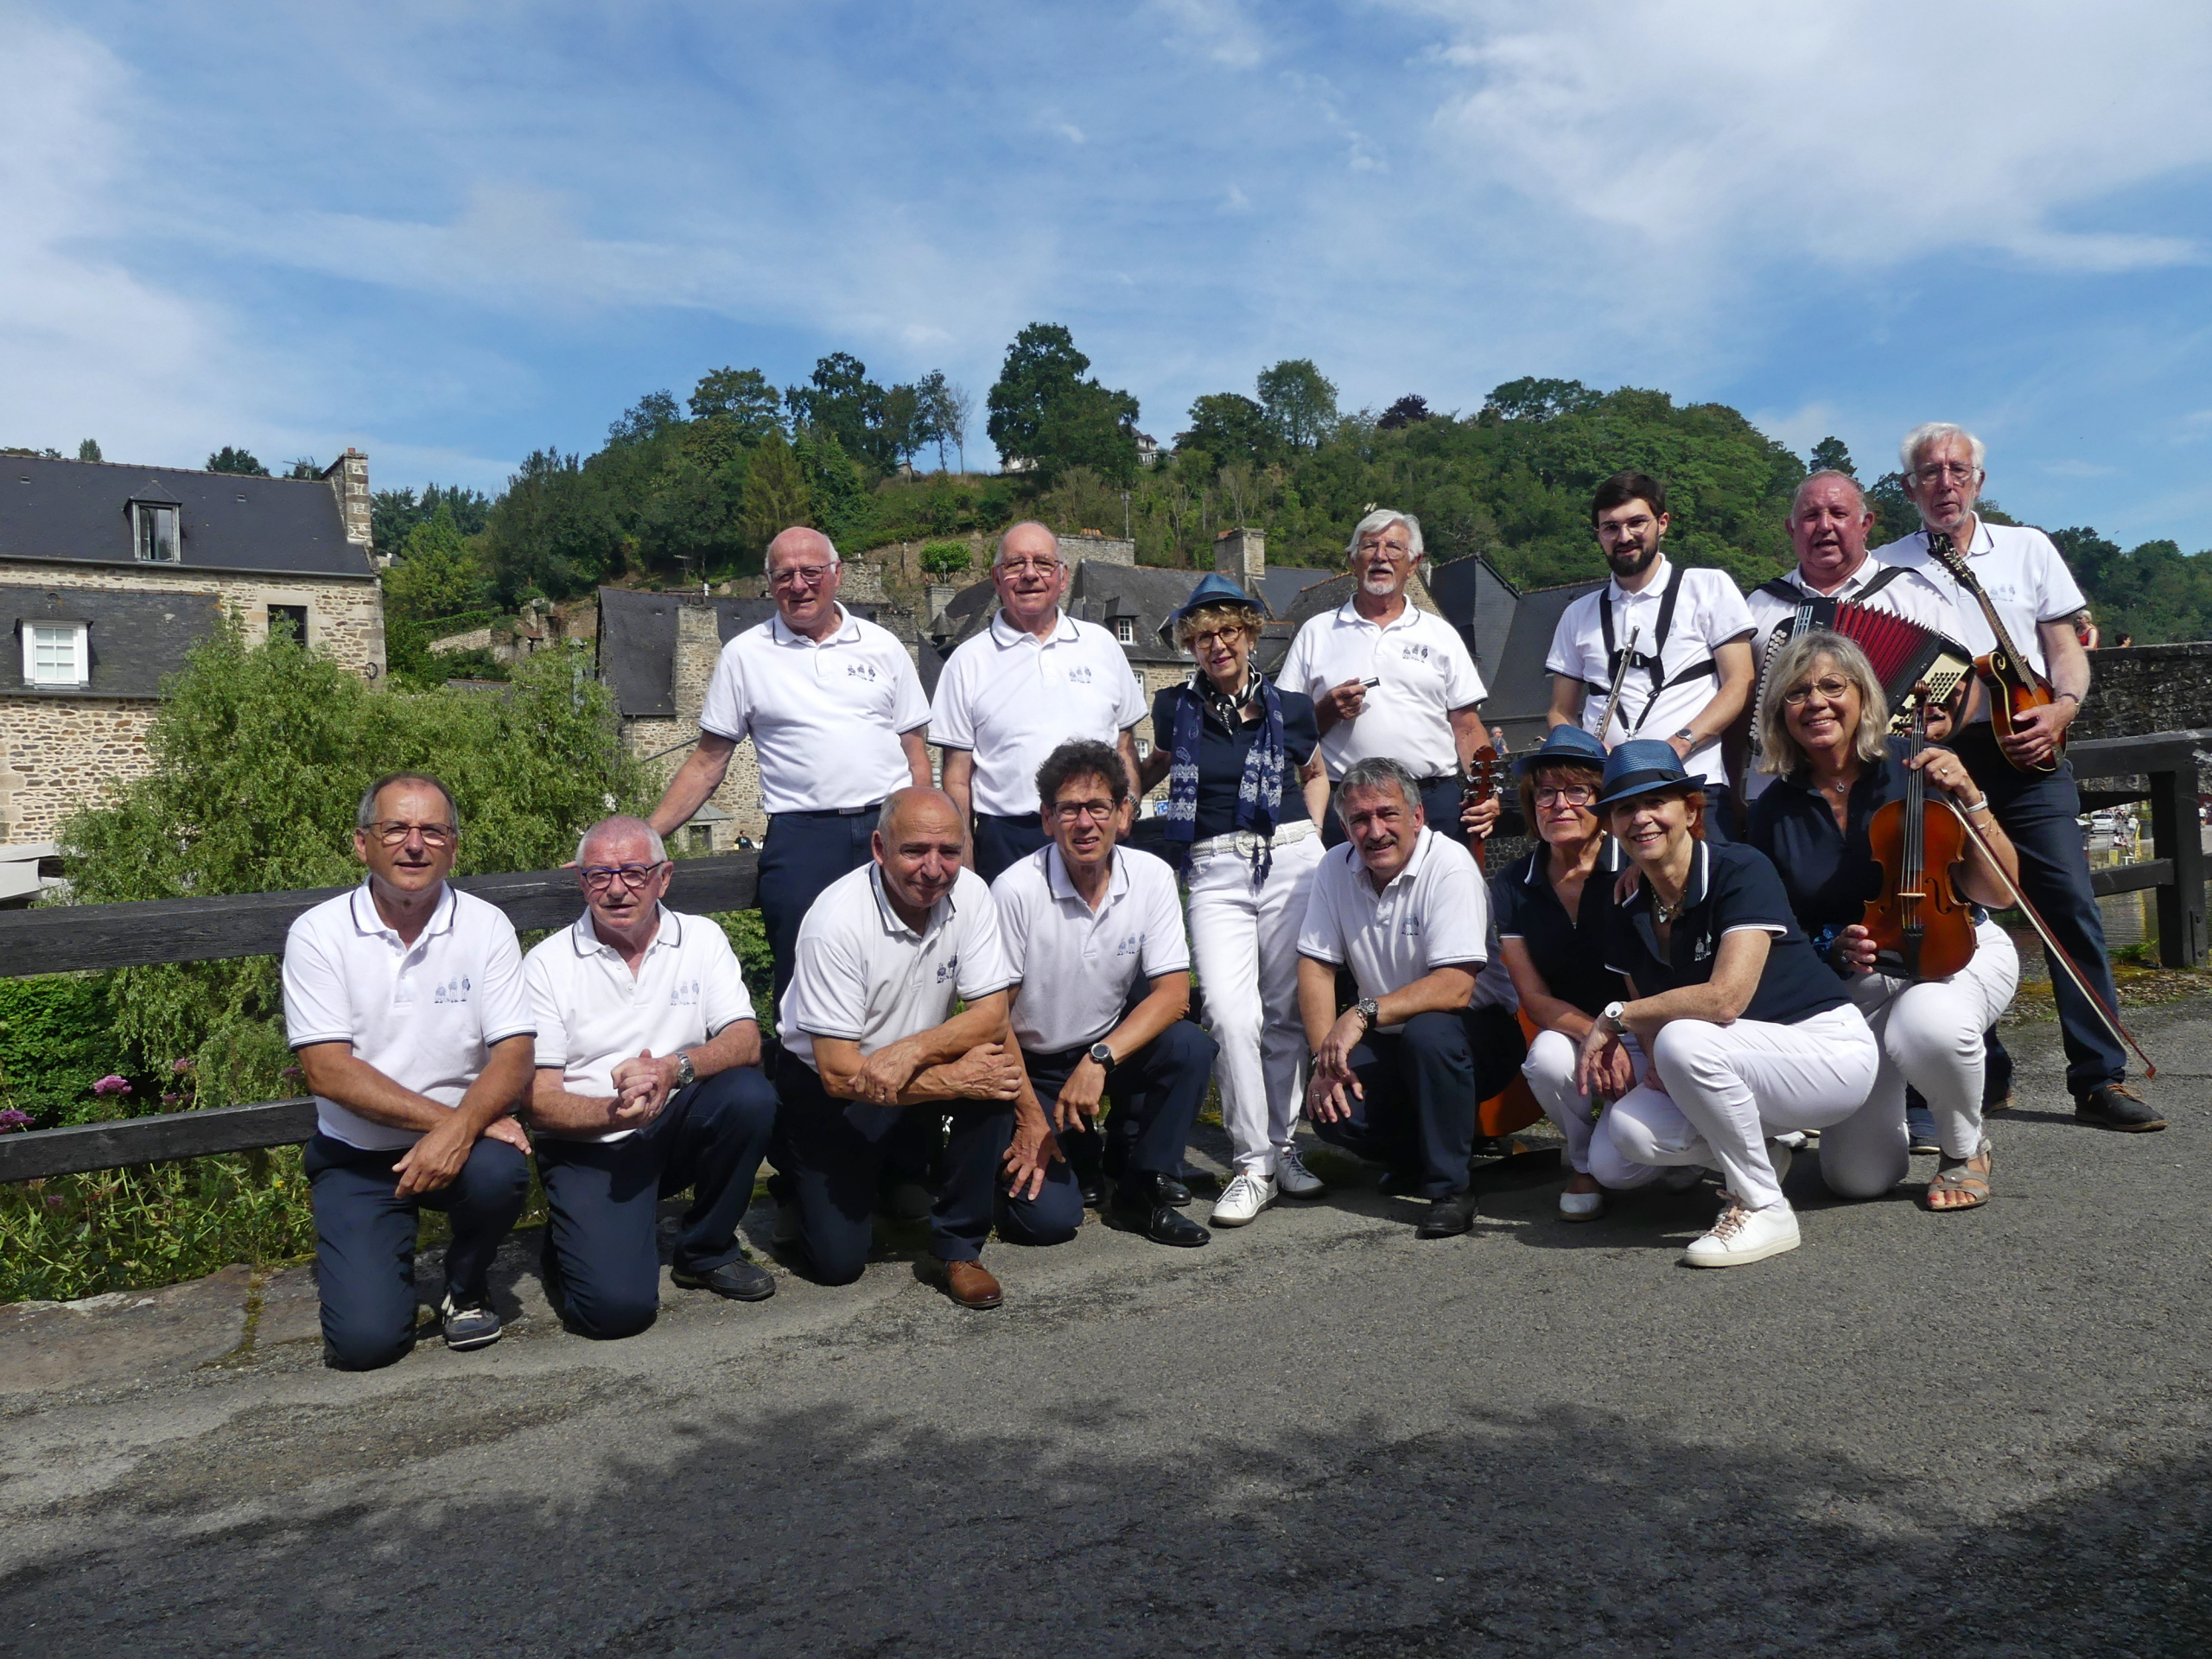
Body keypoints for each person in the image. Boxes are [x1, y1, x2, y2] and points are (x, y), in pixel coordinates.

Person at [1874, 423, 2159, 1132]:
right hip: (1941, 758)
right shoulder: (1886, 568)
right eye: (1930, 473)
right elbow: (1897, 671)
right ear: (1909, 488)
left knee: (2068, 905)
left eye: (1958, 470)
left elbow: (2066, 650)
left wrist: (2063, 710)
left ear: (1978, 480)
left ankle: (2099, 1078)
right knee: (1953, 913)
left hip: (2029, 754)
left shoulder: (2028, 547)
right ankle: (1982, 1070)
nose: (1945, 483)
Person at [1746, 632, 2022, 1211]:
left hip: (1957, 950)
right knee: (1857, 1179)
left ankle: (1963, 1147)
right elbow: (1782, 929)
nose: (1816, 702)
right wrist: (1830, 943)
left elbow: (1999, 892)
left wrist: (1972, 796)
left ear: (1862, 696)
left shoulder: (1914, 766)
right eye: (1797, 693)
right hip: (1864, 981)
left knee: (1928, 1025)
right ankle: (1895, 1120)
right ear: (1780, 715)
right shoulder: (1773, 810)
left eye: (1831, 686)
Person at [1579, 741, 1879, 1266]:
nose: (1641, 818)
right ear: (1611, 826)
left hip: (1825, 1051)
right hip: (1740, 1061)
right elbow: (1649, 1018)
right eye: (1625, 808)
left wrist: (1614, 1020)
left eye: (1657, 802)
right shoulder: (1624, 904)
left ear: (1691, 810)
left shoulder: (1740, 867)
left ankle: (1762, 1205)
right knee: (1621, 1145)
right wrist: (1643, 1036)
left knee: (1684, 1037)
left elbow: (1724, 1000)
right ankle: (1767, 1152)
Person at [771, 786, 1071, 1309]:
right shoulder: (834, 922)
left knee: (994, 1076)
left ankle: (958, 1246)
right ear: (880, 847)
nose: (933, 869)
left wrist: (1026, 1113)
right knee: (837, 1266)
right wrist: (953, 1078)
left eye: (949, 852)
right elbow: (839, 1072)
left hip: (905, 1069)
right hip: (832, 1091)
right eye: (915, 851)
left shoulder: (972, 895)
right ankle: (806, 1182)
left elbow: (991, 1015)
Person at [281, 772, 534, 1369]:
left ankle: (466, 1283)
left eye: (432, 831)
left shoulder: (486, 925)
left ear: (454, 845)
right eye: (395, 828)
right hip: (358, 1158)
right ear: (361, 843)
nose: (414, 845)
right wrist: (453, 1124)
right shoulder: (319, 934)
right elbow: (329, 1073)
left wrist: (457, 1136)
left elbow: (516, 1053)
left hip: (465, 1152)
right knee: (366, 1346)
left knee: (502, 1173)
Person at [647, 525, 931, 1008]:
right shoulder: (744, 655)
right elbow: (708, 761)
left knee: (904, 968)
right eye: (784, 575)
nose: (798, 584)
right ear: (769, 582)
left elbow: (916, 753)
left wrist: (928, 833)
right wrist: (645, 837)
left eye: (811, 571)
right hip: (802, 837)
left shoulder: (883, 647)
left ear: (837, 575)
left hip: (890, 829)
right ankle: (804, 1084)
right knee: (802, 979)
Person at [521, 816, 782, 1338]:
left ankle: (706, 1250)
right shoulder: (545, 965)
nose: (617, 889)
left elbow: (745, 1041)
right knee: (616, 1315)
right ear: (581, 882)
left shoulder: (702, 939)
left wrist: (672, 1068)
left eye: (635, 873)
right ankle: (575, 1237)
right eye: (600, 875)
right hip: (589, 1143)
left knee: (749, 1096)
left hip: (672, 1123)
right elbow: (538, 1102)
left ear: (664, 878)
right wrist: (609, 1113)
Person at [1138, 573, 1331, 1227]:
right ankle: (1252, 1163)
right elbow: (1157, 766)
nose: (1217, 644)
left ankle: (1281, 1151)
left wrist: (1317, 838)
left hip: (1290, 854)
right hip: (1215, 866)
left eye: (1228, 631)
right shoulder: (1174, 708)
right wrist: (1110, 799)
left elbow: (1316, 772)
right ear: (1191, 645)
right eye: (1203, 635)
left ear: (1249, 635)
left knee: (1284, 1015)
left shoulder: (1294, 706)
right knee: (1226, 1010)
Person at [992, 741, 1217, 1249]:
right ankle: (1067, 1154)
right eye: (1069, 809)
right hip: (1032, 1066)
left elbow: (1174, 995)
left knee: (1190, 1046)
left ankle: (1142, 1190)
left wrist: (1098, 1061)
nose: (1085, 823)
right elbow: (992, 1020)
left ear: (1123, 813)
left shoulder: (1152, 876)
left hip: (1102, 1051)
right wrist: (1029, 1115)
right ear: (1047, 819)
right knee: (1045, 1223)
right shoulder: (1014, 890)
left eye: (1098, 807)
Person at [1297, 756, 1525, 1239]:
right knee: (1334, 1107)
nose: (1374, 831)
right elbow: (1317, 966)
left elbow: (1456, 987)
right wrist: (1325, 1061)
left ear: (1417, 816)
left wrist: (1361, 1013)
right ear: (1344, 826)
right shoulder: (1334, 869)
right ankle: (1413, 1156)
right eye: (1360, 819)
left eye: (1387, 814)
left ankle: (1451, 1189)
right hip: (1392, 1033)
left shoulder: (1450, 866)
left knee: (1430, 1033)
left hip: (1476, 1036)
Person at [1491, 725, 1660, 1221]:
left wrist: (1622, 1034)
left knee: (1638, 1155)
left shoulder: (1633, 862)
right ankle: (1583, 1160)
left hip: (1649, 1028)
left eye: (1576, 791)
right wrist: (1595, 1035)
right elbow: (1534, 998)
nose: (1559, 804)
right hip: (1573, 1029)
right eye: (1546, 792)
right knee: (1544, 1060)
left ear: (1603, 802)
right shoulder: (1512, 882)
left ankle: (1688, 1147)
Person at [1545, 473, 1757, 842]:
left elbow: (1740, 682)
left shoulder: (1708, 586)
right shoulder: (1577, 614)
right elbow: (1560, 711)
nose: (1624, 537)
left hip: (1694, 786)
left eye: (1636, 522)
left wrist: (1679, 744)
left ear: (1662, 522)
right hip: (1611, 796)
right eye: (1610, 527)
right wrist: (1592, 756)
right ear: (1598, 534)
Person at [930, 522, 1145, 882]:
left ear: (1062, 577)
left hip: (1097, 830)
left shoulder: (1102, 645)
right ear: (997, 579)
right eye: (1015, 564)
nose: (1030, 574)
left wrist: (1130, 807)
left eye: (1043, 563)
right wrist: (964, 862)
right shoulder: (967, 661)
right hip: (1008, 840)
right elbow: (957, 778)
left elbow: (1125, 746)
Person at [1738, 469, 1966, 804]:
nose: (1824, 526)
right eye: (1810, 516)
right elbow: (1738, 708)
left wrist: (1944, 723)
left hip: (1894, 788)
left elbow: (1963, 683)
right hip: (1783, 794)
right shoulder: (1759, 606)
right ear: (1791, 528)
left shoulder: (1916, 595)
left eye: (1839, 514)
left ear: (1865, 524)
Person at [1278, 508, 1501, 849]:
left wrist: (1486, 793)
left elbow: (1468, 728)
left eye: (1394, 548)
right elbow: (1283, 730)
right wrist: (1325, 711)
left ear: (1414, 563)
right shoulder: (1316, 632)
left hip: (1431, 803)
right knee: (1347, 902)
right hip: (1349, 806)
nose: (1380, 556)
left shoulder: (1440, 634)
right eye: (1370, 546)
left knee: (1438, 900)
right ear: (1352, 560)